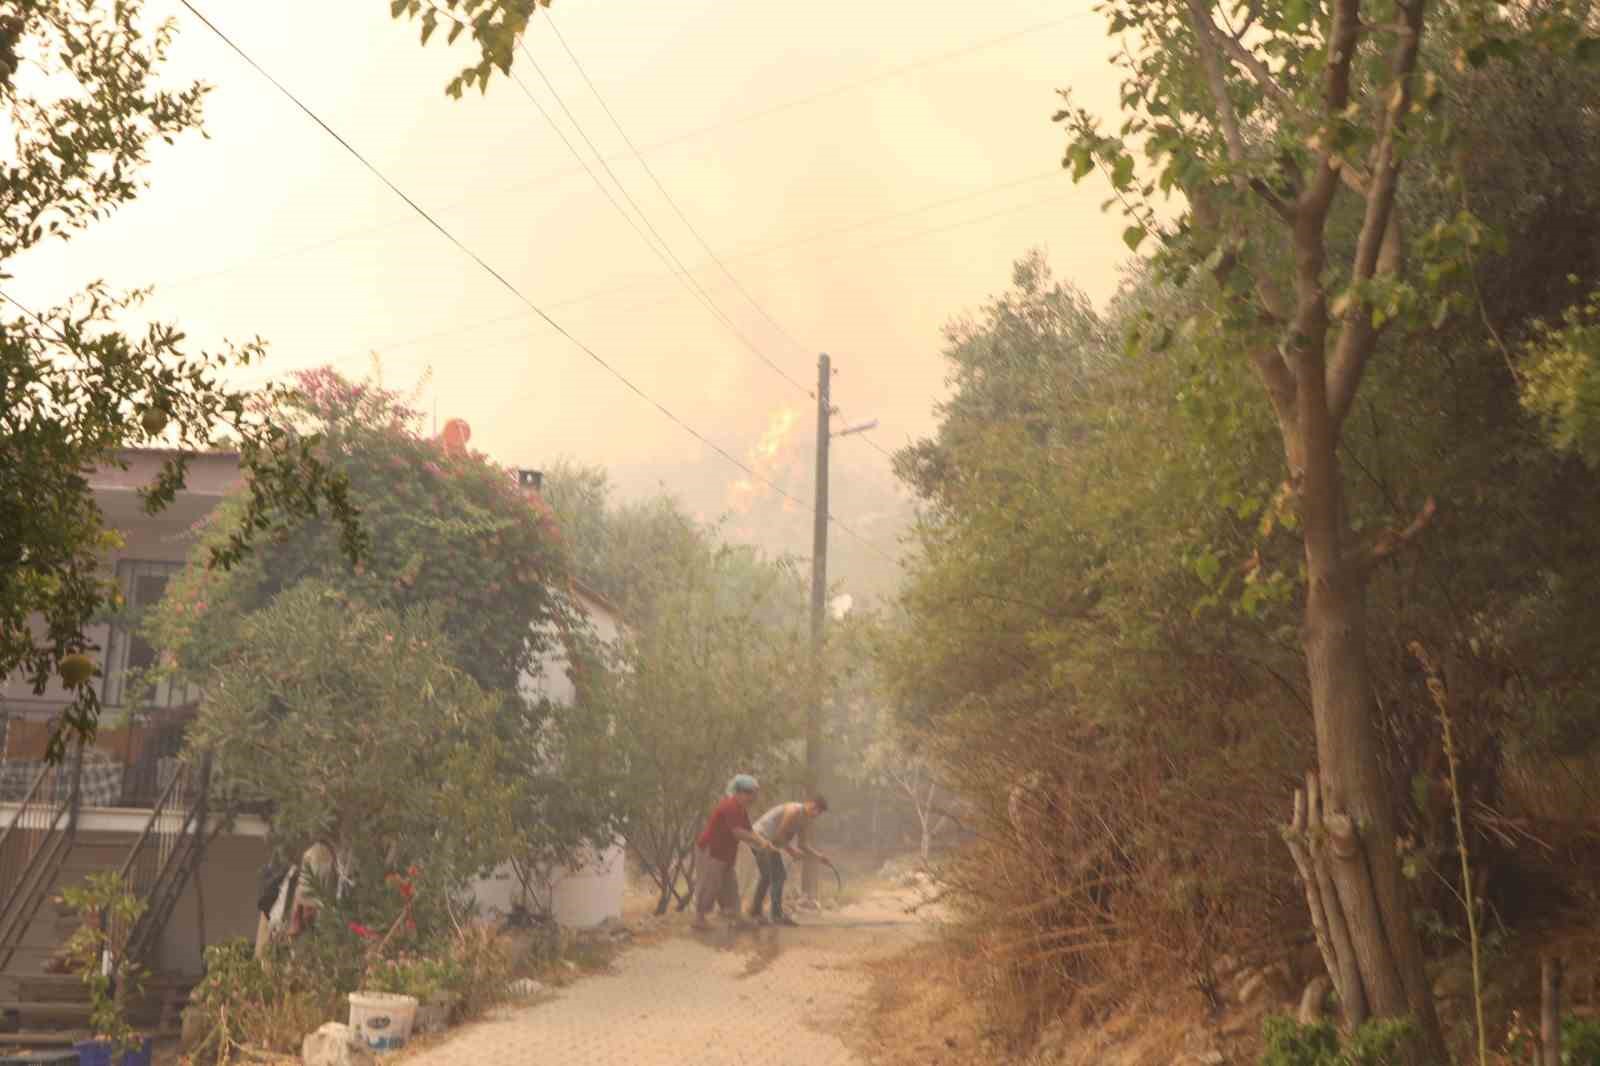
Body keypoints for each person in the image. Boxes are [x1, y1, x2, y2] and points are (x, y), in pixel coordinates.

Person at [692, 774, 774, 930]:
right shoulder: (729, 806)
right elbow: (738, 832)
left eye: (754, 794)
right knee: (710, 884)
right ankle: (699, 919)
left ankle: (735, 917)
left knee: (730, 886)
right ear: (739, 792)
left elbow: (749, 831)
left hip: (726, 854)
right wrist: (760, 842)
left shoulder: (741, 809)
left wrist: (764, 842)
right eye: (750, 794)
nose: (752, 798)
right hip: (711, 851)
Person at [748, 795, 829, 926]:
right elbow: (779, 835)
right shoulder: (793, 810)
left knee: (772, 875)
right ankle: (772, 914)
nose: (815, 812)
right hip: (760, 837)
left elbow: (802, 844)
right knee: (773, 875)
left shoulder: (806, 820)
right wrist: (791, 851)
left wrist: (819, 857)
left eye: (818, 811)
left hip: (771, 843)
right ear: (808, 803)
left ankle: (758, 911)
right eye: (814, 808)